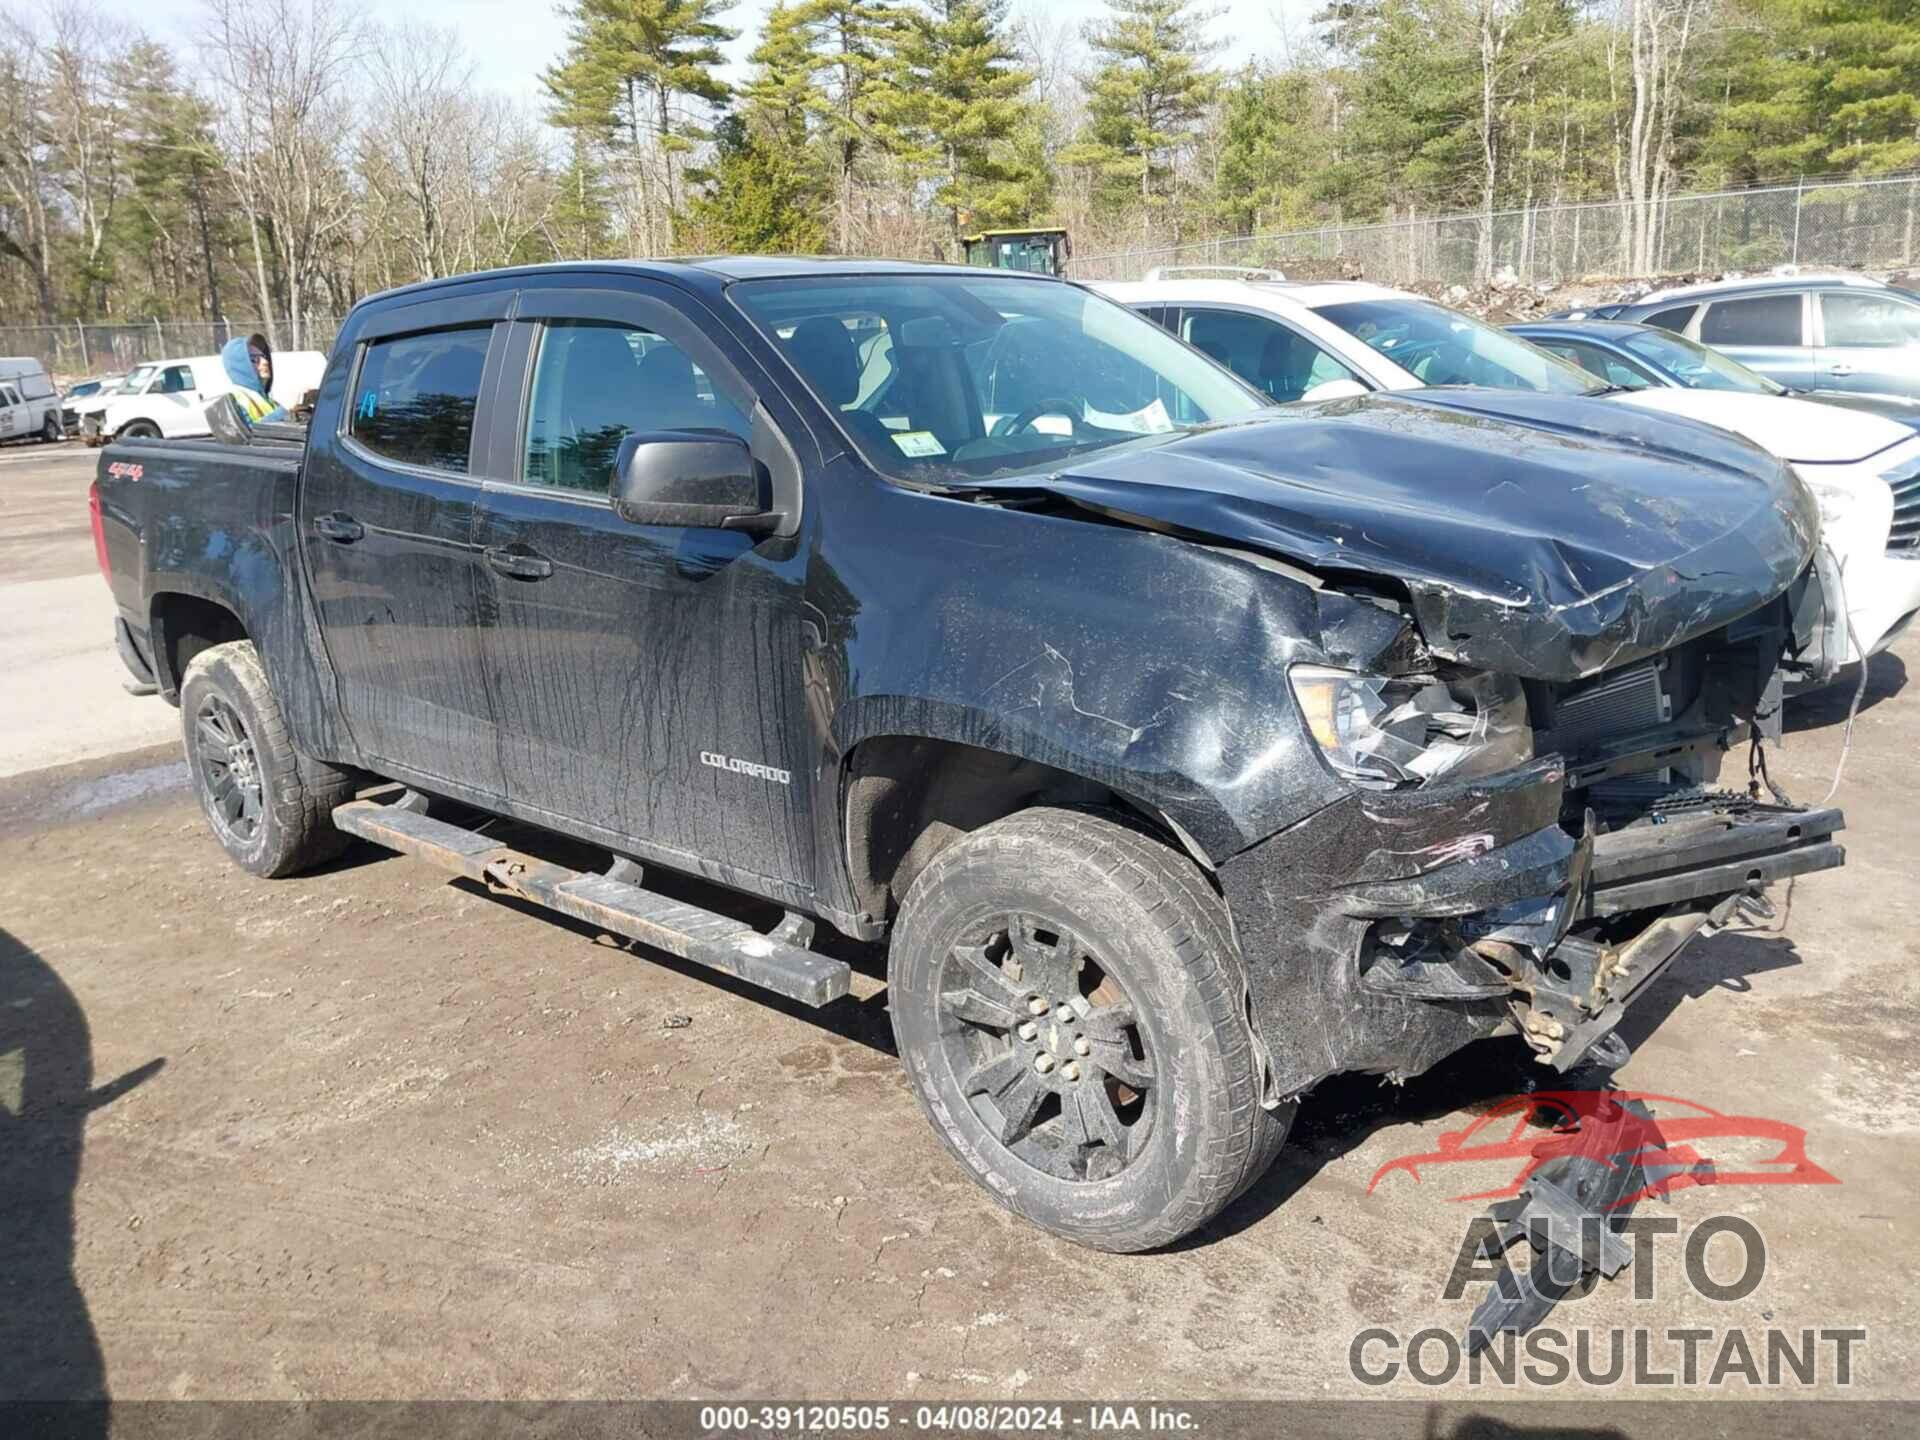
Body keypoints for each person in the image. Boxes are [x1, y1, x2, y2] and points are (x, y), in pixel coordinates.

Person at [219, 332, 286, 423]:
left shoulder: (267, 399)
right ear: (239, 365)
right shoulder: (235, 402)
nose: (265, 362)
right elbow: (250, 433)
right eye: (254, 359)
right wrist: (285, 410)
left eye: (263, 356)